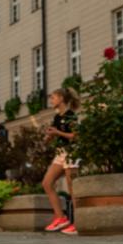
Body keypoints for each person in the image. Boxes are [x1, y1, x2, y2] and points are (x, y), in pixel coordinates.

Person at [41, 86, 80, 235]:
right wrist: (49, 137)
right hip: (61, 152)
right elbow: (55, 134)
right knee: (47, 183)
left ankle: (78, 223)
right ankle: (61, 218)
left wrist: (57, 132)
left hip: (72, 152)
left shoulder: (71, 116)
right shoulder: (57, 117)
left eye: (53, 97)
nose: (51, 100)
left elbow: (75, 136)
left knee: (73, 189)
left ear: (61, 99)